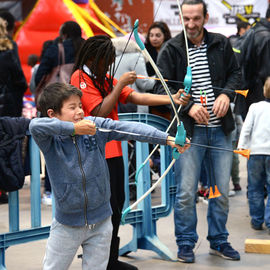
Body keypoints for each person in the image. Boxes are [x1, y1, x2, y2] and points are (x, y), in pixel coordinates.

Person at [29, 82, 189, 270]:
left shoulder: (94, 127)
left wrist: (167, 139)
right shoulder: (50, 140)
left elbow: (130, 128)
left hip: (101, 222)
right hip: (67, 224)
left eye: (80, 105)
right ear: (52, 114)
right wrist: (73, 129)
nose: (80, 111)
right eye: (72, 107)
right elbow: (34, 125)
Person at [70, 35, 190, 270]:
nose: (109, 66)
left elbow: (134, 96)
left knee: (117, 205)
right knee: (103, 209)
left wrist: (172, 98)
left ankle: (110, 259)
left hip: (112, 152)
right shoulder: (80, 78)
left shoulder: (101, 76)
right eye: (106, 61)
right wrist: (119, 84)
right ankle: (101, 260)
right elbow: (99, 111)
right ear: (94, 58)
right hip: (95, 153)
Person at [154, 0, 241, 263]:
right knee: (186, 192)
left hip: (221, 130)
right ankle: (185, 243)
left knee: (220, 191)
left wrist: (226, 94)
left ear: (205, 16)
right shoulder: (171, 49)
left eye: (196, 18)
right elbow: (161, 89)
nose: (191, 24)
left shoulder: (221, 43)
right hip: (189, 133)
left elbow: (236, 74)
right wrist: (188, 106)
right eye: (186, 19)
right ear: (181, 18)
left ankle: (219, 240)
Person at [0, 17, 28, 203]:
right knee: (7, 148)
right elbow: (21, 82)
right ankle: (4, 188)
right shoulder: (9, 52)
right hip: (7, 109)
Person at [237, 77, 270, 234]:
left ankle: (257, 220)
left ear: (264, 90)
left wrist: (241, 146)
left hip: (255, 153)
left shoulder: (255, 107)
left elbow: (246, 128)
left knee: (255, 188)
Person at [236, 4, 270, 117]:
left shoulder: (254, 30)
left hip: (249, 93)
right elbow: (267, 74)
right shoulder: (266, 37)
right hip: (261, 95)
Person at [112, 36, 155, 113]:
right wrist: (159, 78)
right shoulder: (136, 56)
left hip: (116, 105)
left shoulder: (112, 57)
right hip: (136, 105)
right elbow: (144, 83)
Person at [35, 20, 85, 86]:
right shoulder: (88, 47)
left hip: (62, 91)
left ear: (64, 35)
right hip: (85, 88)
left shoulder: (55, 49)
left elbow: (40, 75)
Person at [145, 21, 172, 120]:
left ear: (165, 36)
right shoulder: (145, 52)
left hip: (169, 98)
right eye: (151, 35)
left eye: (157, 35)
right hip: (152, 101)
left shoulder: (171, 51)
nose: (154, 38)